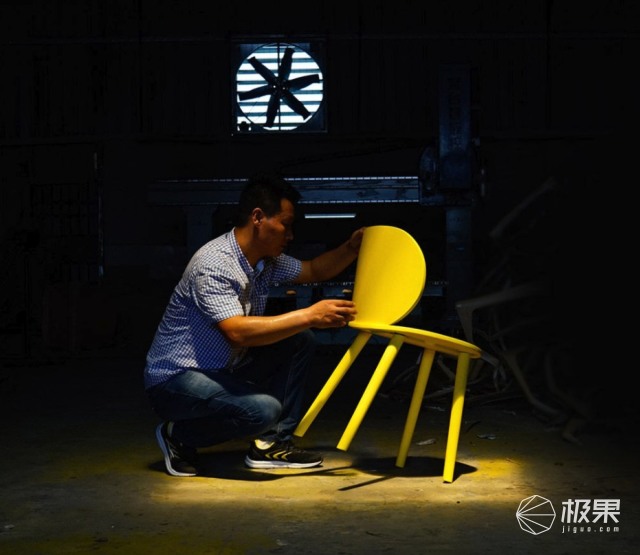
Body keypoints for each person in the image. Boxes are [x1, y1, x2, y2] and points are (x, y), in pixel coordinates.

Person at [144, 173, 364, 477]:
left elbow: (314, 270)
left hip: (223, 369)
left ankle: (271, 444)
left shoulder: (263, 260)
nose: (290, 235)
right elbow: (237, 332)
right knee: (263, 410)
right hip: (175, 381)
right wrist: (310, 315)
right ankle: (177, 436)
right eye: (285, 225)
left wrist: (351, 248)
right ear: (258, 217)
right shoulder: (214, 264)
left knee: (300, 340)